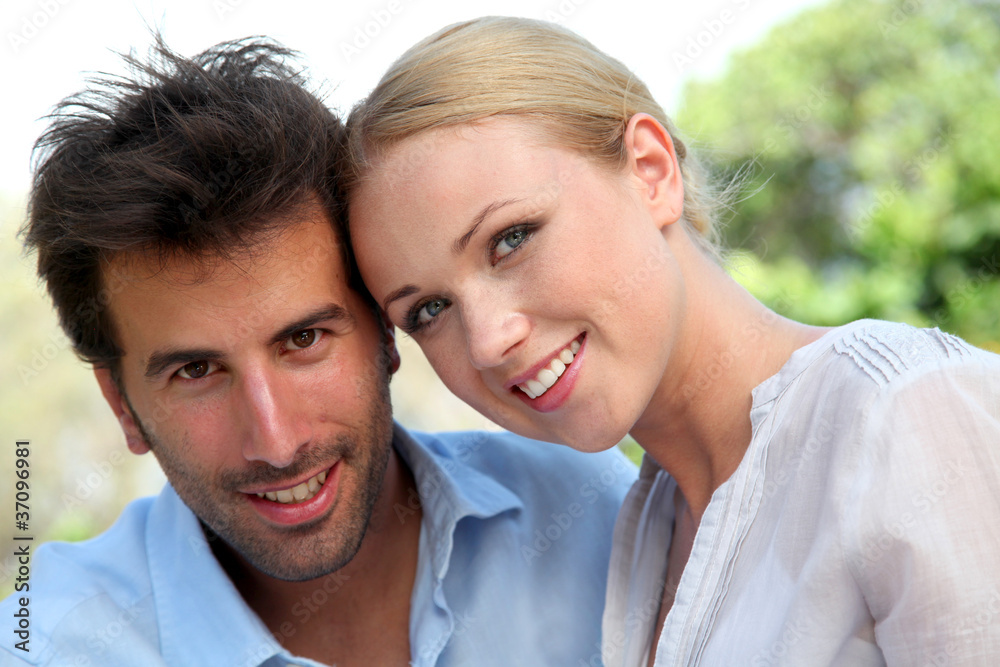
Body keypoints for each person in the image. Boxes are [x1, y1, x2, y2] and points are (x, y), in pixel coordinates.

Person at [345, 16, 1000, 667]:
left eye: (512, 238)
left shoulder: (905, 412)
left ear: (651, 171)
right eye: (429, 309)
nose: (488, 340)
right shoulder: (648, 524)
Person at [0, 37, 637, 667]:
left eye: (304, 340)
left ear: (386, 332)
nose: (275, 444)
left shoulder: (591, 511)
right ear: (123, 405)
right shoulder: (43, 646)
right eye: (196, 371)